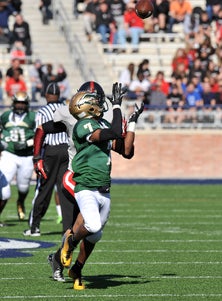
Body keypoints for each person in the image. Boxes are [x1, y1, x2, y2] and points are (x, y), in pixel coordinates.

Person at [48, 82, 144, 288]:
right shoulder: (84, 124)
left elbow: (127, 151)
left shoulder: (103, 124)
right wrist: (117, 106)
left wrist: (134, 123)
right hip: (79, 178)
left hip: (102, 185)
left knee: (95, 233)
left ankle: (77, 268)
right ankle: (62, 253)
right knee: (87, 225)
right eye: (95, 100)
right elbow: (114, 132)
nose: (100, 103)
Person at [23, 82, 71, 236]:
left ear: (46, 95)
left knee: (43, 188)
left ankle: (34, 227)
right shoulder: (67, 108)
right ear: (59, 95)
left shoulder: (43, 111)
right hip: (66, 150)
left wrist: (37, 157)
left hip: (50, 152)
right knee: (64, 189)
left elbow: (40, 133)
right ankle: (67, 228)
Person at [0, 91, 36, 220]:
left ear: (27, 104)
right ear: (13, 103)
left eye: (23, 103)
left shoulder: (33, 117)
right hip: (9, 154)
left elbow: (40, 135)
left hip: (26, 156)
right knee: (3, 184)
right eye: (18, 103)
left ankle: (20, 202)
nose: (20, 105)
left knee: (23, 187)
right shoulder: (5, 116)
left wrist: (27, 143)